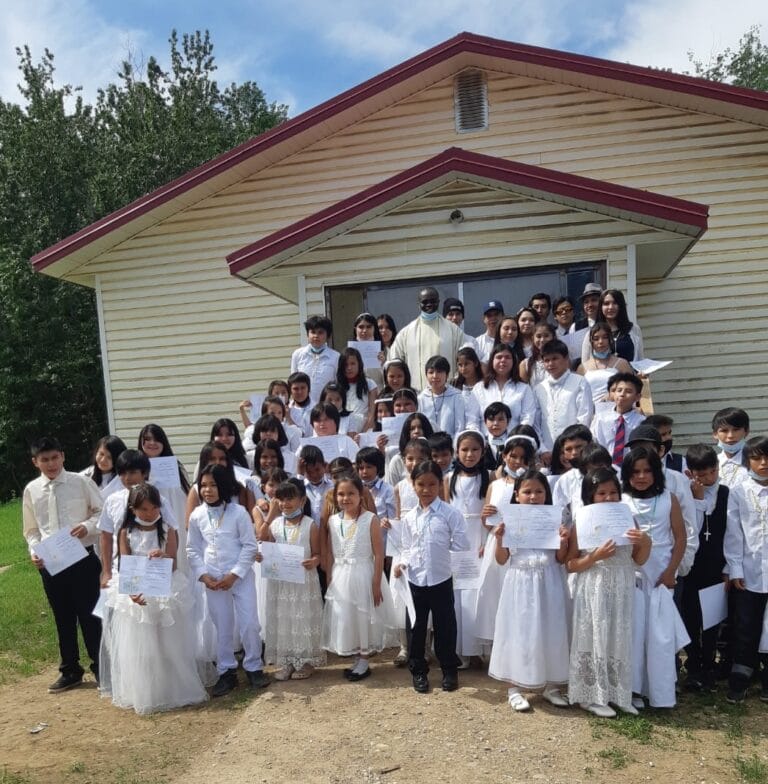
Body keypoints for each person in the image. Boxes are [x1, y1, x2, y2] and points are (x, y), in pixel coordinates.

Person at [100, 483, 210, 714]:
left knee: (169, 642)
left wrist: (162, 555)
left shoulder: (167, 529)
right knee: (141, 644)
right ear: (132, 509)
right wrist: (132, 592)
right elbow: (126, 564)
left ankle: (173, 688)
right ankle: (147, 691)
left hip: (164, 589)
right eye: (143, 509)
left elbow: (173, 562)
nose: (149, 514)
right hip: (138, 591)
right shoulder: (126, 532)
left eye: (153, 508)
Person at [566, 468, 651, 717]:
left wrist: (645, 543)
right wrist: (595, 556)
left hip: (622, 583)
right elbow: (570, 564)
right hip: (594, 583)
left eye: (613, 492)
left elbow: (639, 560)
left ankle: (618, 693)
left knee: (619, 636)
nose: (608, 497)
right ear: (590, 496)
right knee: (593, 636)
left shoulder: (628, 519)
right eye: (601, 493)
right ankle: (590, 696)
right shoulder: (581, 521)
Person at [23, 436, 103, 693]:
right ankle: (70, 670)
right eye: (44, 460)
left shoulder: (81, 482)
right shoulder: (32, 490)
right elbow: (31, 529)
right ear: (35, 462)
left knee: (90, 615)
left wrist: (87, 526)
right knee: (63, 617)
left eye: (55, 457)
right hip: (51, 561)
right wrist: (34, 550)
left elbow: (101, 513)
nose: (51, 464)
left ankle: (101, 667)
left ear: (63, 456)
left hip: (81, 557)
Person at [488, 469, 570, 711]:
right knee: (519, 632)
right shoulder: (509, 521)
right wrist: (500, 539)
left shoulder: (554, 519)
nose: (533, 497)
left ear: (546, 493)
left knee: (551, 630)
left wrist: (563, 541)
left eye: (539, 491)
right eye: (527, 492)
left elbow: (561, 558)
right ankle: (515, 688)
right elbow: (502, 559)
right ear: (517, 495)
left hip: (549, 581)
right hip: (521, 582)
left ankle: (551, 686)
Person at [187, 465, 270, 696]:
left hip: (239, 577)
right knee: (222, 626)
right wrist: (203, 575)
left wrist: (234, 575)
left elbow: (249, 546)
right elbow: (192, 549)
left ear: (223, 486)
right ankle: (226, 671)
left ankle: (254, 666)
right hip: (213, 580)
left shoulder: (238, 512)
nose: (207, 490)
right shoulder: (197, 515)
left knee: (249, 623)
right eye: (203, 485)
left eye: (213, 485)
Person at [395, 461, 470, 693]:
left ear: (440, 485)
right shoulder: (409, 517)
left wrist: (446, 556)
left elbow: (461, 545)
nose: (426, 489)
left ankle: (449, 669)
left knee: (445, 625)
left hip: (441, 578)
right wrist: (402, 563)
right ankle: (418, 670)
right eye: (421, 484)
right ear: (413, 485)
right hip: (415, 580)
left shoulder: (450, 514)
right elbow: (406, 547)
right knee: (416, 627)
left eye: (432, 484)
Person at [621, 446, 688, 709]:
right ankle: (634, 689)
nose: (641, 477)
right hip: (633, 572)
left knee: (659, 636)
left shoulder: (668, 498)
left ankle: (659, 691)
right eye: (635, 472)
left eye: (647, 471)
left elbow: (680, 538)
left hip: (661, 574)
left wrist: (671, 571)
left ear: (656, 472)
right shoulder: (622, 501)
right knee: (635, 633)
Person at [322, 474, 395, 680]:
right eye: (341, 494)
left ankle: (364, 659)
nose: (346, 498)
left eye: (351, 493)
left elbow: (378, 553)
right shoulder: (333, 521)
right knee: (348, 616)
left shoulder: (370, 519)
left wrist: (376, 582)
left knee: (363, 615)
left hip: (363, 572)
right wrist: (330, 576)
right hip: (341, 574)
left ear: (360, 495)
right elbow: (331, 552)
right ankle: (356, 656)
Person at [257, 479, 325, 680]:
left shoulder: (310, 525)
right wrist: (262, 556)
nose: (285, 503)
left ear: (302, 500)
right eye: (281, 499)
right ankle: (287, 661)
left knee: (303, 618)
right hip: (281, 583)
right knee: (284, 618)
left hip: (304, 582)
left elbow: (318, 553)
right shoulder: (275, 524)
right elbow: (263, 540)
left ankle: (306, 661)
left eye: (290, 499)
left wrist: (314, 561)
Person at [723, 436, 768, 704]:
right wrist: (736, 568)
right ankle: (739, 682)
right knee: (746, 627)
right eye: (756, 458)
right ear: (747, 461)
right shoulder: (740, 491)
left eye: (767, 457)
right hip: (749, 575)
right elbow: (734, 533)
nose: (763, 463)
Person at [681, 444, 729, 692]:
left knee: (712, 620)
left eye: (712, 472)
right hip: (692, 566)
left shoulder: (726, 493)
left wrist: (729, 567)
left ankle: (709, 664)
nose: (708, 478)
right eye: (701, 474)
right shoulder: (685, 494)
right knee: (690, 617)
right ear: (690, 473)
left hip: (716, 566)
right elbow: (690, 529)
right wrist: (697, 499)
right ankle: (694, 664)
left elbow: (733, 533)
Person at [445, 431, 489, 666]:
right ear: (456, 452)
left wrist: (486, 541)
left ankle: (477, 649)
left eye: (475, 449)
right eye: (464, 449)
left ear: (483, 452)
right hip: (457, 540)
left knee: (476, 593)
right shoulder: (448, 478)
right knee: (457, 595)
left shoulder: (490, 476)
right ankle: (459, 651)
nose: (469, 454)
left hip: (479, 539)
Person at [389, 287, 466, 390]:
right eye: (425, 302)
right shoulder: (406, 333)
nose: (429, 304)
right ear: (419, 304)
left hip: (447, 392)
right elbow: (394, 361)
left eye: (433, 301)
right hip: (416, 393)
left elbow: (464, 357)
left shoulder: (454, 330)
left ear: (438, 302)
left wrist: (458, 377)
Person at [534, 340, 594, 460]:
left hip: (574, 451)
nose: (550, 363)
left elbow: (584, 416)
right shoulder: (539, 388)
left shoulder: (579, 382)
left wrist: (574, 447)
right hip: (548, 452)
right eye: (546, 360)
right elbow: (536, 422)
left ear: (566, 359)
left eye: (555, 358)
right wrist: (543, 449)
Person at [472, 344, 537, 431]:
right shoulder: (479, 388)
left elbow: (527, 417)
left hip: (515, 437)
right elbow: (472, 419)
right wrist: (478, 438)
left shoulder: (524, 388)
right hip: (485, 438)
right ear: (492, 361)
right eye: (499, 357)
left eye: (507, 357)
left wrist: (518, 436)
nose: (503, 360)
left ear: (514, 361)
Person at [590, 372, 645, 464]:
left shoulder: (641, 422)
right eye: (619, 390)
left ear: (637, 397)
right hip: (604, 466)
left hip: (631, 466)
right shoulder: (600, 419)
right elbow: (593, 442)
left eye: (628, 391)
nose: (622, 394)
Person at [577, 323, 634, 404]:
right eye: (596, 339)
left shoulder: (622, 364)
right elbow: (578, 395)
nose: (600, 342)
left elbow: (631, 388)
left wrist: (613, 394)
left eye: (604, 337)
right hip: (591, 409)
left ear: (610, 339)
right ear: (591, 342)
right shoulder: (582, 368)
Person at [582, 289, 643, 364]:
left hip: (629, 371)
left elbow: (640, 360)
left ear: (621, 305)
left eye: (615, 303)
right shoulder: (591, 333)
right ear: (601, 307)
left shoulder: (634, 329)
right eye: (606, 304)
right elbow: (585, 364)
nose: (610, 307)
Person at [290, 315, 340, 404]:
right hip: (303, 406)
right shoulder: (298, 354)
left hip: (327, 406)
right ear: (307, 334)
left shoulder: (336, 357)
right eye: (313, 332)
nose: (316, 336)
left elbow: (339, 385)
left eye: (320, 332)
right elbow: (293, 383)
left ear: (328, 335)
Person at [418, 355, 469, 435]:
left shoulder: (457, 397)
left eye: (439, 372)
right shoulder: (421, 398)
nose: (435, 376)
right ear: (426, 375)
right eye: (431, 372)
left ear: (447, 375)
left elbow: (460, 427)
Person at [336, 347, 378, 432]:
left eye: (353, 364)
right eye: (346, 365)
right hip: (343, 429)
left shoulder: (370, 384)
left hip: (364, 429)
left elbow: (372, 415)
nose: (349, 368)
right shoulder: (337, 387)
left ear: (359, 364)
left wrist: (362, 433)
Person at [712, 407, 750, 488]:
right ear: (715, 434)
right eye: (724, 431)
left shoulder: (757, 462)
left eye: (736, 430)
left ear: (746, 432)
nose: (730, 436)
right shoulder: (711, 463)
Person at [351, 312, 386, 388]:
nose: (365, 330)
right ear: (355, 329)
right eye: (361, 327)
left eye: (369, 327)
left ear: (375, 329)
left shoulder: (385, 351)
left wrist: (384, 364)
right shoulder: (349, 352)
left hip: (378, 391)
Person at [519, 321, 556, 386]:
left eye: (546, 336)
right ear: (533, 338)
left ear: (553, 337)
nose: (542, 340)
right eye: (538, 336)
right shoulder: (525, 364)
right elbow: (523, 389)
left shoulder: (562, 360)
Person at [287, 372, 314, 438]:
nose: (300, 392)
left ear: (309, 389)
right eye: (295, 389)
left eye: (303, 388)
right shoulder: (286, 410)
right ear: (290, 391)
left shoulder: (318, 408)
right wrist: (287, 417)